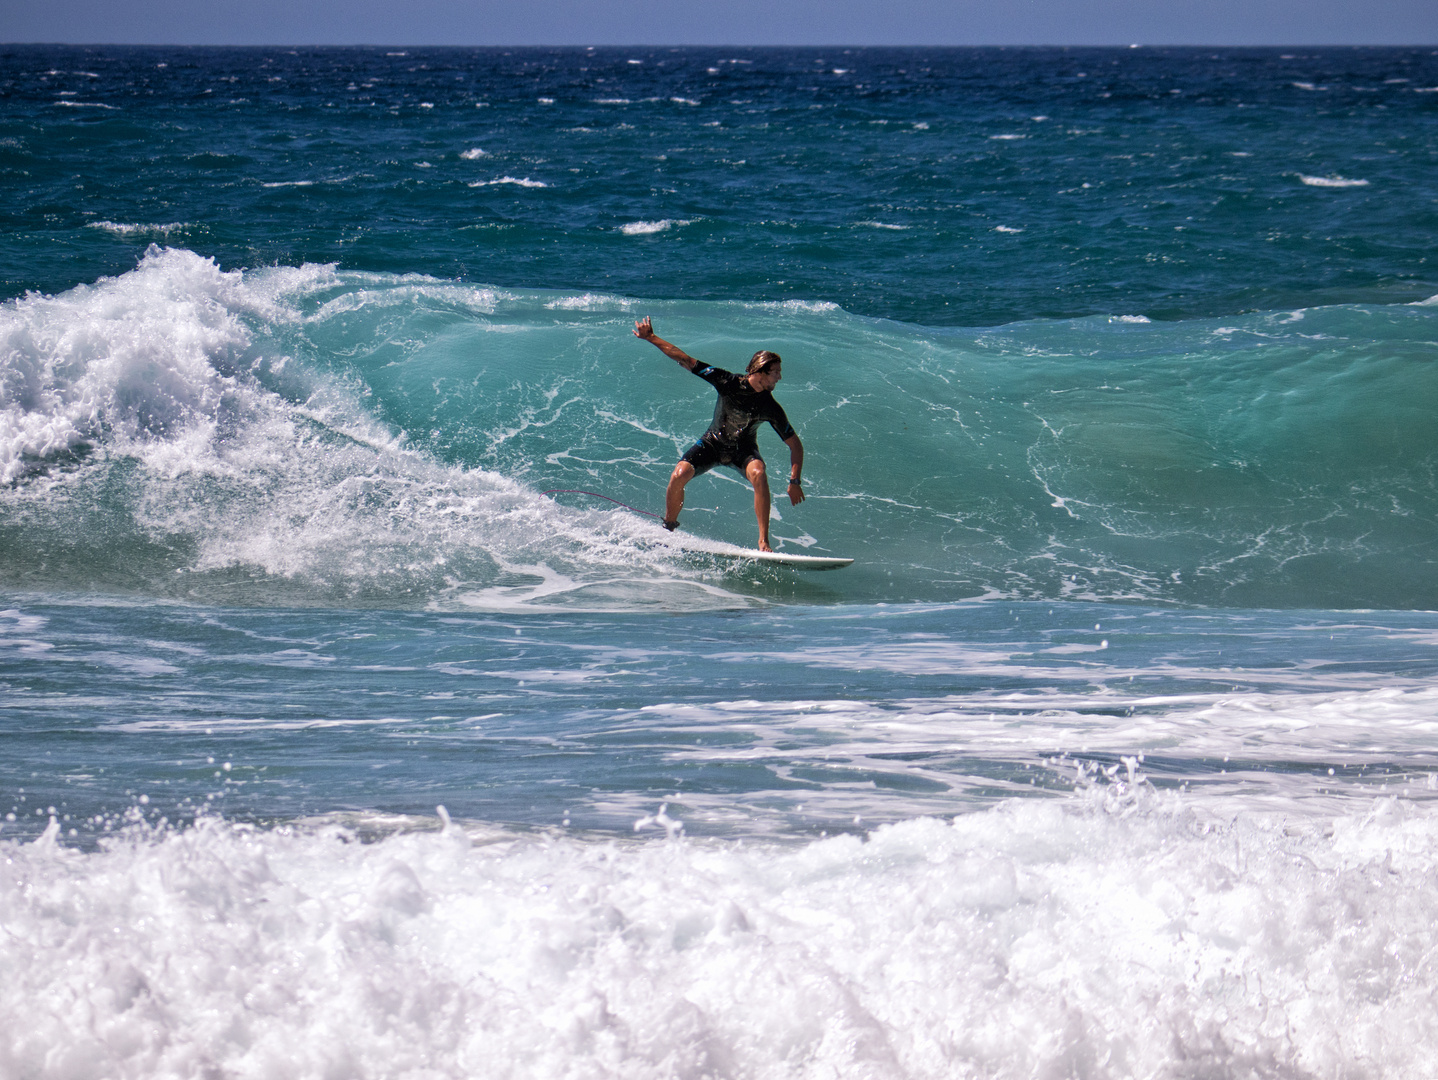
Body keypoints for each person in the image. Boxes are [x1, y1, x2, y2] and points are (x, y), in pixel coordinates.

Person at [633, 316, 804, 552]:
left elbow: (795, 445)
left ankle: (763, 541)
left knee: (759, 473)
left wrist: (794, 480)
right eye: (776, 372)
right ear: (762, 371)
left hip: (742, 451)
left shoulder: (770, 407)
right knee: (678, 474)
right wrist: (651, 337)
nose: (780, 377)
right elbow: (685, 360)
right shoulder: (727, 381)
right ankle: (669, 527)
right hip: (713, 443)